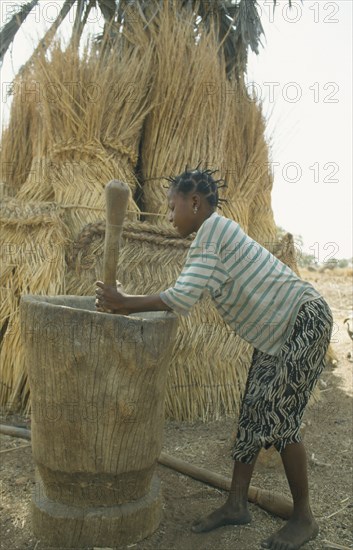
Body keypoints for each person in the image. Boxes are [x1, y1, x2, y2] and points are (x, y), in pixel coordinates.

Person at [96, 168, 333, 550]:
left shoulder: (214, 232)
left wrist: (124, 304)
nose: (170, 217)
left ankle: (304, 517)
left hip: (303, 320)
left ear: (194, 202)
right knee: (252, 417)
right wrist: (127, 302)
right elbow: (183, 291)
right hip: (278, 333)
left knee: (280, 416)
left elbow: (182, 296)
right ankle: (236, 504)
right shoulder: (212, 236)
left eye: (173, 207)